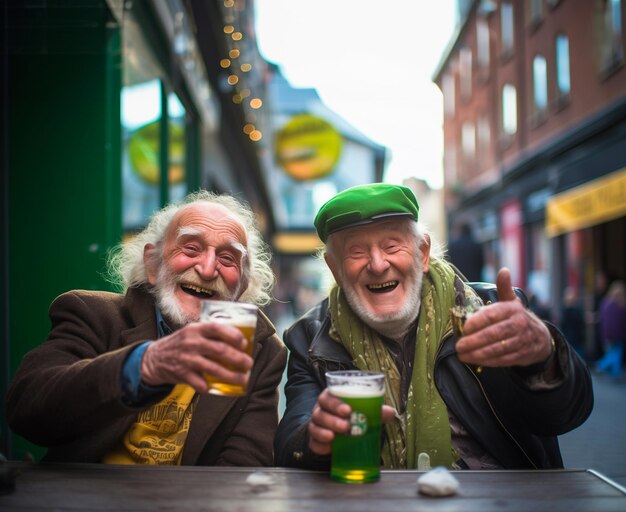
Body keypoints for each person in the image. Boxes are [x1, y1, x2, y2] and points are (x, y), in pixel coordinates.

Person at [275, 183, 593, 470]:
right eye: (356, 252)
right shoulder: (309, 338)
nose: (377, 264)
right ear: (335, 268)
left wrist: (545, 358)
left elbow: (566, 415)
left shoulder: (490, 313)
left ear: (422, 253)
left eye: (391, 246)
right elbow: (290, 445)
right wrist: (313, 439)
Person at [7, 190, 287, 465]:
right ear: (152, 264)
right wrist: (144, 365)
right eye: (191, 248)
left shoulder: (258, 351)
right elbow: (27, 410)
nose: (207, 268)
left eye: (228, 258)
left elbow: (243, 466)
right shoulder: (93, 314)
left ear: (242, 285)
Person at [595, 280, 626, 379]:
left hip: (608, 333)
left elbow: (602, 318)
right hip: (618, 333)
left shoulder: (605, 303)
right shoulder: (621, 305)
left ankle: (614, 372)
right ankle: (601, 365)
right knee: (617, 352)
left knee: (613, 352)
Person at [560, 286, 586, 360]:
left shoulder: (565, 310)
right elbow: (580, 322)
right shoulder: (575, 310)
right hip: (575, 338)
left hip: (571, 337)